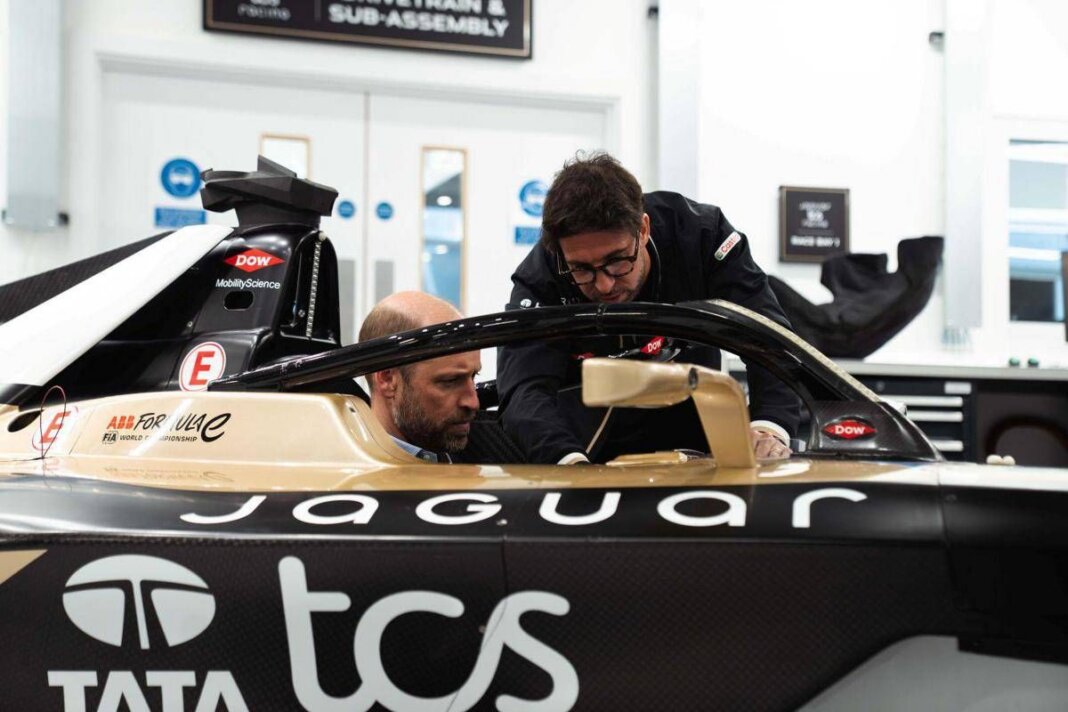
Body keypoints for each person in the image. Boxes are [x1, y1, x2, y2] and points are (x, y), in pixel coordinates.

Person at [497, 152, 801, 465]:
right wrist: (567, 463)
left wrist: (768, 427)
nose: (604, 285)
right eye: (581, 269)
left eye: (617, 261)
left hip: (696, 433)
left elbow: (770, 339)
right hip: (583, 443)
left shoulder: (703, 237)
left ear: (643, 229)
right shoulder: (542, 274)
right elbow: (523, 388)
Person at [359, 291, 480, 463]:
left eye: (474, 376)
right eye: (450, 381)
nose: (473, 402)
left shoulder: (487, 450)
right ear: (388, 380)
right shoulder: (342, 471)